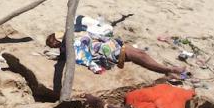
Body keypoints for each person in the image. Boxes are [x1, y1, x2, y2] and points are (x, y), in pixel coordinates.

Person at [45, 33, 185, 82]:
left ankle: (167, 71)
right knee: (141, 56)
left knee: (142, 54)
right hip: (110, 54)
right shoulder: (72, 47)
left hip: (113, 45)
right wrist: (97, 69)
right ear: (58, 42)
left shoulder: (73, 36)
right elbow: (84, 59)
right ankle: (170, 69)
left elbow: (95, 36)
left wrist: (110, 39)